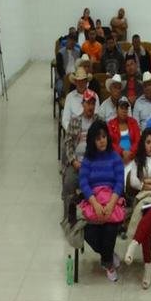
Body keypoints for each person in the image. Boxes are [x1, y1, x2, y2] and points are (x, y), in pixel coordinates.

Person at [124, 128, 151, 289]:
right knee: (147, 223)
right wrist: (147, 185)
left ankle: (134, 244)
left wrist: (150, 181)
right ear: (143, 143)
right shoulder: (138, 160)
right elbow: (133, 181)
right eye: (148, 142)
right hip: (144, 197)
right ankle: (148, 267)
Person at [79, 120, 124, 281]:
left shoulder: (115, 157)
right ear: (92, 141)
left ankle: (108, 264)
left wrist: (111, 204)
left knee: (110, 229)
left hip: (112, 199)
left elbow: (120, 182)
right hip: (93, 201)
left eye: (104, 137)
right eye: (98, 138)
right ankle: (109, 255)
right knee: (89, 232)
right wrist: (95, 203)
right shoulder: (88, 159)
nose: (102, 141)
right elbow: (83, 182)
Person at [62, 89, 99, 217]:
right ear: (83, 104)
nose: (91, 107)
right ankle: (68, 216)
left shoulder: (98, 122)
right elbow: (68, 144)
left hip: (93, 163)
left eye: (93, 104)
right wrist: (73, 161)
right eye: (88, 103)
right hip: (77, 162)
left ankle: (92, 214)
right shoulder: (75, 121)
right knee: (69, 182)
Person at [62, 67, 99, 131]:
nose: (81, 83)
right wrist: (72, 131)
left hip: (91, 131)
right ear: (75, 82)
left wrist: (91, 133)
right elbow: (65, 120)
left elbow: (96, 117)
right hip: (73, 130)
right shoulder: (70, 97)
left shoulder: (94, 95)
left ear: (86, 82)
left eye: (83, 81)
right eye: (78, 81)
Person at [107, 97, 140, 165]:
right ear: (116, 110)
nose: (124, 111)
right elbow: (110, 142)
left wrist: (130, 152)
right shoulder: (110, 124)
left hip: (132, 157)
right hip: (116, 158)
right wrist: (122, 152)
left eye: (126, 108)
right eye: (122, 108)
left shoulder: (133, 122)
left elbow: (138, 141)